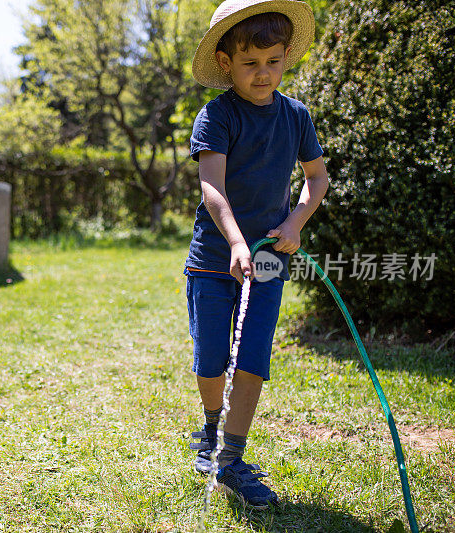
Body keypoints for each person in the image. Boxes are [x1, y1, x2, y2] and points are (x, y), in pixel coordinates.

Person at [185, 0, 329, 509]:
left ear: (286, 56)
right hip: (213, 256)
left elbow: (317, 179)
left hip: (267, 257)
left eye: (273, 61)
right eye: (250, 64)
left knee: (252, 358)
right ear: (226, 64)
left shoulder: (296, 117)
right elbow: (213, 190)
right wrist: (235, 242)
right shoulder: (217, 116)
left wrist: (293, 223)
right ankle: (209, 430)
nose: (263, 73)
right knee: (212, 357)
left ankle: (231, 456)